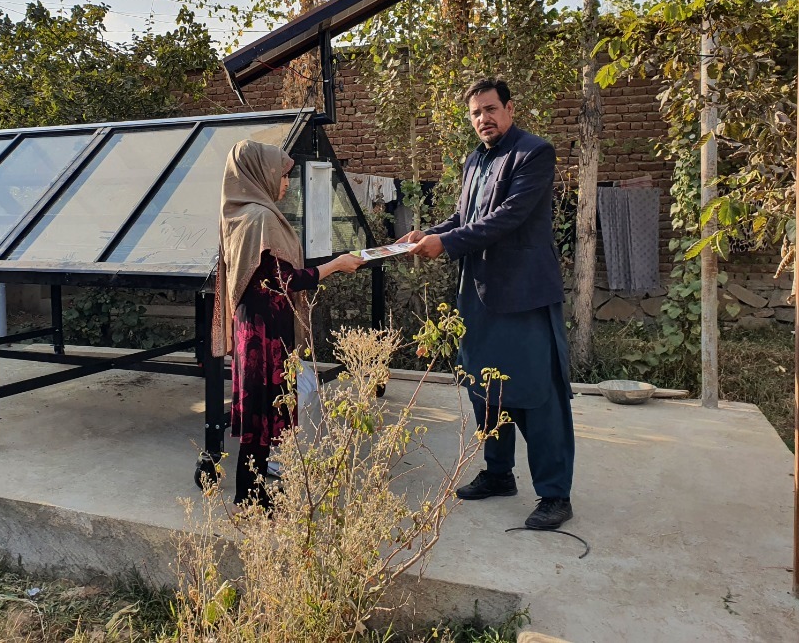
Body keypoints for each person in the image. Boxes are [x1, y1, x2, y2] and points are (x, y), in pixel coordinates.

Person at [398, 78, 575, 531]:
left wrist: (447, 243)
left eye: (491, 109)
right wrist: (428, 233)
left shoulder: (534, 153)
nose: (484, 119)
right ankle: (498, 474)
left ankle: (555, 495)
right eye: (476, 113)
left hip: (524, 298)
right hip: (477, 296)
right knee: (485, 389)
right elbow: (465, 217)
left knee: (537, 395)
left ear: (510, 109)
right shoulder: (473, 159)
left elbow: (508, 218)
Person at [213, 139, 367, 508]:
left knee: (261, 411)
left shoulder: (238, 213)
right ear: (260, 173)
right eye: (282, 177)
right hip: (264, 329)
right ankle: (248, 497)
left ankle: (252, 491)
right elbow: (284, 281)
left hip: (254, 324)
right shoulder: (261, 218)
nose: (286, 185)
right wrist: (335, 265)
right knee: (263, 410)